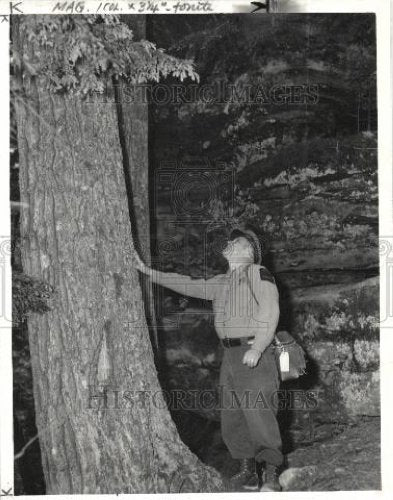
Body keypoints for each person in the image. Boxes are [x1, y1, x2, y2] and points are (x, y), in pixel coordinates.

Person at [134, 224, 282, 492]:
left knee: (259, 410)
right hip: (230, 355)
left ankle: (271, 472)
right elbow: (186, 284)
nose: (227, 245)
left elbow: (270, 311)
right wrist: (148, 272)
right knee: (232, 414)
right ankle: (247, 470)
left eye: (234, 242)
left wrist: (258, 347)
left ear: (247, 250)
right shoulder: (221, 282)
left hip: (253, 352)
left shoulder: (258, 274)